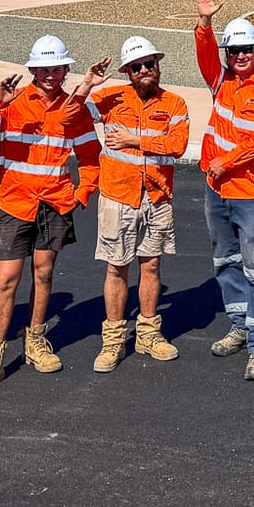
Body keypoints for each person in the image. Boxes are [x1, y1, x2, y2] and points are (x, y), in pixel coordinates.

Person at [0, 34, 105, 395]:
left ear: (65, 70)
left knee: (43, 273)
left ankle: (35, 340)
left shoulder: (74, 108)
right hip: (15, 202)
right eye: (43, 69)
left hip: (54, 203)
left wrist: (82, 193)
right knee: (6, 281)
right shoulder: (13, 102)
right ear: (32, 70)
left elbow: (90, 155)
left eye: (56, 68)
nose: (50, 75)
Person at [75, 35, 189, 373]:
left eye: (148, 64)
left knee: (151, 265)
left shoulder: (175, 104)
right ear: (127, 71)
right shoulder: (109, 98)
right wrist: (87, 84)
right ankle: (113, 340)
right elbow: (68, 117)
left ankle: (148, 335)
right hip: (117, 195)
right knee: (116, 267)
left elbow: (178, 144)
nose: (143, 70)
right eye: (136, 67)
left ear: (157, 65)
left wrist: (133, 140)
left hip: (156, 196)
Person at [194, 0, 254, 381]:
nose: (241, 56)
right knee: (225, 261)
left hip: (250, 193)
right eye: (234, 51)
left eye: (247, 49)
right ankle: (239, 325)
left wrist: (226, 162)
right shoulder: (222, 82)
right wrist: (204, 21)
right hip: (217, 192)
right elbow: (204, 56)